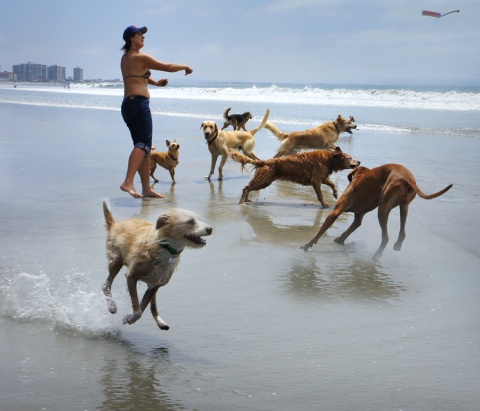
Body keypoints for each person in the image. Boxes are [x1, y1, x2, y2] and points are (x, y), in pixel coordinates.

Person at [120, 25, 193, 198]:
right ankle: (128, 182)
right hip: (139, 105)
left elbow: (139, 76)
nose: (143, 37)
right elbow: (167, 66)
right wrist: (185, 66)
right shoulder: (140, 57)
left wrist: (156, 84)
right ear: (131, 38)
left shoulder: (126, 58)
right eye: (140, 34)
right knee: (143, 145)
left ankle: (146, 188)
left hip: (129, 105)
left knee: (144, 148)